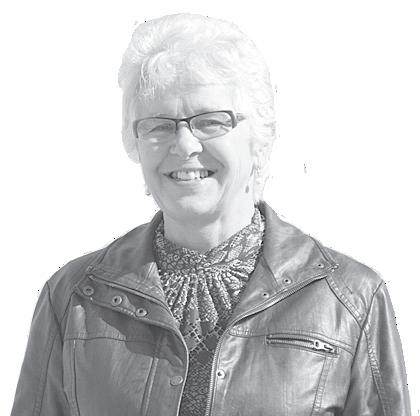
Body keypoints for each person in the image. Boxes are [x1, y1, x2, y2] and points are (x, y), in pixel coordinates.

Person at [11, 13, 411, 416]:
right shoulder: (73, 298)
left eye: (210, 122)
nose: (185, 144)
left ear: (259, 139)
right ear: (135, 143)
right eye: (159, 126)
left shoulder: (350, 300)